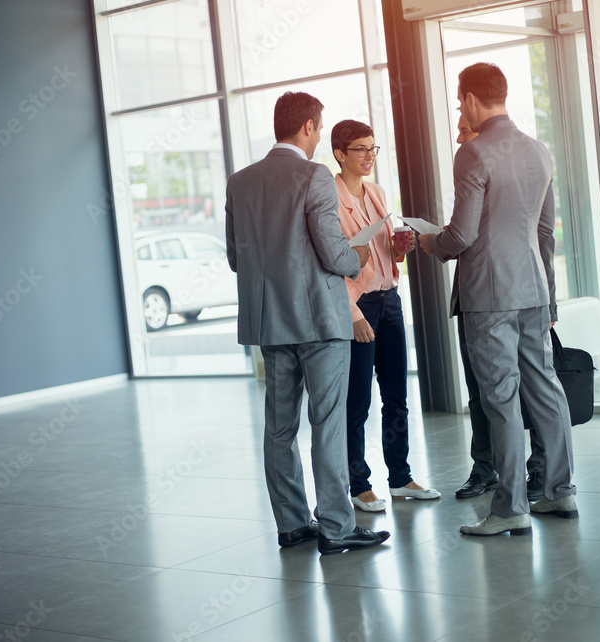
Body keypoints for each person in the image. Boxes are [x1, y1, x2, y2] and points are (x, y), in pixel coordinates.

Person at [225, 92, 390, 555]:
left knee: (279, 428)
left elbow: (237, 258)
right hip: (320, 320)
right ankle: (336, 528)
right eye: (320, 129)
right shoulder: (314, 176)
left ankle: (293, 525)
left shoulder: (239, 182)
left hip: (271, 322)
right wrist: (357, 253)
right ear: (310, 128)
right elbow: (334, 253)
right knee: (328, 423)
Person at [420, 63, 577, 536]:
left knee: (501, 398)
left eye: (458, 101)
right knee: (545, 386)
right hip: (532, 287)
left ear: (469, 99)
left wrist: (430, 242)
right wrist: (547, 295)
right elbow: (546, 232)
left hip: (489, 295)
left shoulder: (473, 153)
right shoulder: (539, 150)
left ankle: (510, 508)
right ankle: (559, 491)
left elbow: (462, 235)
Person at [331, 119, 440, 512]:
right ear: (339, 153)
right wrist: (351, 313)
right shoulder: (328, 197)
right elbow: (327, 264)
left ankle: (400, 478)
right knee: (357, 401)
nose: (368, 156)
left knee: (397, 396)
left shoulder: (376, 193)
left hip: (389, 299)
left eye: (372, 148)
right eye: (359, 149)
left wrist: (400, 249)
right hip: (359, 307)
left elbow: (384, 254)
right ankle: (358, 484)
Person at [450, 115, 547, 503]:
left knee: (526, 390)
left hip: (512, 294)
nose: (459, 137)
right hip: (480, 295)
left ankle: (532, 476)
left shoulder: (491, 158)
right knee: (483, 391)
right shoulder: (518, 159)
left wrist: (435, 243)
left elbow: (543, 234)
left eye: (463, 128)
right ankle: (488, 468)